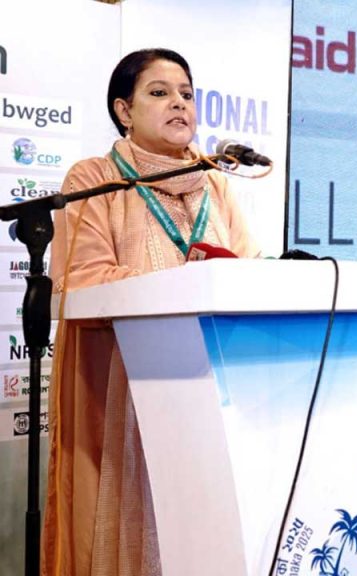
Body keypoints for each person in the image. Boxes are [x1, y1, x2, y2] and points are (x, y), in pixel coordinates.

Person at [44, 48, 260, 576]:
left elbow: (249, 271)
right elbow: (83, 280)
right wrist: (181, 283)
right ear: (124, 110)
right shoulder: (94, 179)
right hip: (122, 387)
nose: (179, 104)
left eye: (186, 94)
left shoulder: (215, 182)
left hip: (210, 385)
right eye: (159, 93)